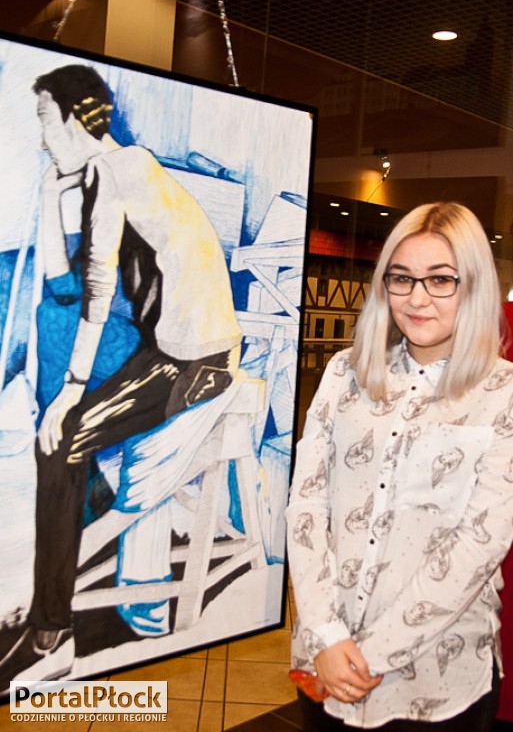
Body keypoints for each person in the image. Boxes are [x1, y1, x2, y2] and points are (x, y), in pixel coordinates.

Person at [0, 64, 242, 688]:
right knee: (63, 434)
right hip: (178, 351)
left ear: (77, 117)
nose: (43, 137)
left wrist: (70, 393)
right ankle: (56, 598)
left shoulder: (117, 171)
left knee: (60, 439)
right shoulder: (125, 171)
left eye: (47, 120)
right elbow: (65, 279)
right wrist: (51, 194)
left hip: (196, 364)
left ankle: (52, 629)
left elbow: (98, 291)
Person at [286, 202, 513, 730]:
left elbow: (479, 545)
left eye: (441, 279)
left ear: (475, 286)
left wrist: (369, 656)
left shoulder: (502, 395)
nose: (417, 297)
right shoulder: (344, 374)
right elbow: (306, 506)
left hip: (435, 679)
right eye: (402, 277)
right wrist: (326, 634)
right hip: (325, 665)